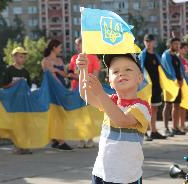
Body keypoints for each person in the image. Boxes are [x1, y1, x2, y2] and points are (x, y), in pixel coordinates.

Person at [76, 53, 150, 184]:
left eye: (128, 69)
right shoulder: (110, 101)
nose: (121, 74)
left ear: (140, 78)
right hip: (101, 172)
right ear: (110, 81)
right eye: (115, 71)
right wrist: (83, 69)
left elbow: (121, 120)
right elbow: (84, 93)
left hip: (126, 176)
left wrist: (100, 93)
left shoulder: (141, 107)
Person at [69, 37, 100, 148]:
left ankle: (90, 139)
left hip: (89, 90)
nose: (77, 46)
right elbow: (70, 74)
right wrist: (78, 77)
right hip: (75, 89)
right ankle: (81, 139)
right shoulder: (73, 58)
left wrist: (80, 77)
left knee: (89, 115)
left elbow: (95, 76)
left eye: (79, 44)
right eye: (76, 44)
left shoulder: (93, 57)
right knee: (78, 115)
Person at [41, 39, 73, 150]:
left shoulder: (59, 60)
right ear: (54, 47)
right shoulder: (45, 60)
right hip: (52, 91)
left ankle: (55, 138)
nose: (60, 49)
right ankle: (61, 141)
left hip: (61, 88)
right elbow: (51, 77)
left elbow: (65, 74)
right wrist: (60, 87)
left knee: (60, 114)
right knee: (56, 113)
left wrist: (57, 70)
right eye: (59, 47)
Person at [2, 47, 32, 154]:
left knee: (24, 124)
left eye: (24, 57)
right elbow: (4, 86)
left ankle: (25, 145)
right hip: (13, 103)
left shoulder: (25, 72)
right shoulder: (9, 70)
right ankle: (18, 146)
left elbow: (28, 87)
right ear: (14, 57)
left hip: (23, 103)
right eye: (20, 56)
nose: (23, 59)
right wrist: (13, 84)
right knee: (16, 125)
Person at [139, 34, 167, 141]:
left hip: (156, 86)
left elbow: (163, 71)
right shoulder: (143, 55)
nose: (148, 43)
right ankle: (144, 132)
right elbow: (140, 70)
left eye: (150, 41)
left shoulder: (156, 55)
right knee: (145, 109)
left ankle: (154, 131)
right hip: (145, 87)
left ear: (154, 42)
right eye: (146, 41)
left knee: (154, 108)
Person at [161, 38, 186, 136]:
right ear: (170, 44)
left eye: (178, 44)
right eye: (175, 44)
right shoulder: (165, 55)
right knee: (167, 105)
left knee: (176, 106)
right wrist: (176, 80)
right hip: (169, 84)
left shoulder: (176, 56)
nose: (177, 46)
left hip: (178, 84)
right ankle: (165, 128)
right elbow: (169, 70)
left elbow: (181, 69)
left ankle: (175, 128)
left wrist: (182, 79)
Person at [178, 42, 188, 132]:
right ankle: (178, 126)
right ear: (180, 48)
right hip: (178, 85)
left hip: (185, 85)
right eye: (186, 48)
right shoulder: (177, 58)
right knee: (178, 106)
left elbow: (187, 72)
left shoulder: (185, 60)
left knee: (183, 106)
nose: (187, 50)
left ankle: (182, 125)